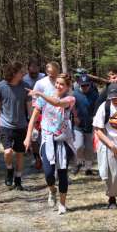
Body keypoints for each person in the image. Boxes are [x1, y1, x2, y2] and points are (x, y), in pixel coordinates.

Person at [24, 74, 75, 215]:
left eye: (62, 84)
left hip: (63, 140)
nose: (58, 86)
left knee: (62, 172)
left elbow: (57, 103)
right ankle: (52, 190)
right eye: (57, 83)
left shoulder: (70, 99)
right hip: (47, 139)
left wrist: (39, 93)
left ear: (67, 87)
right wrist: (28, 137)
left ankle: (62, 204)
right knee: (48, 173)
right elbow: (33, 118)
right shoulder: (43, 99)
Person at [0, 61, 31, 190]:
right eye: (20, 72)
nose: (23, 74)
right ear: (13, 73)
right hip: (5, 125)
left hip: (21, 126)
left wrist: (31, 127)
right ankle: (9, 169)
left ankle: (18, 179)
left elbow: (30, 109)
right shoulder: (0, 86)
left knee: (19, 153)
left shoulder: (25, 86)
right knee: (8, 151)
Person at [72, 74, 99, 175]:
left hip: (90, 124)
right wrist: (75, 117)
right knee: (78, 146)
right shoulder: (75, 94)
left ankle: (88, 168)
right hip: (78, 125)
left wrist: (95, 118)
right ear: (79, 84)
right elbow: (71, 106)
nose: (85, 87)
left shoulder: (95, 94)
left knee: (89, 148)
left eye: (86, 85)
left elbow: (97, 108)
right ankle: (79, 162)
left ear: (90, 84)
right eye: (82, 85)